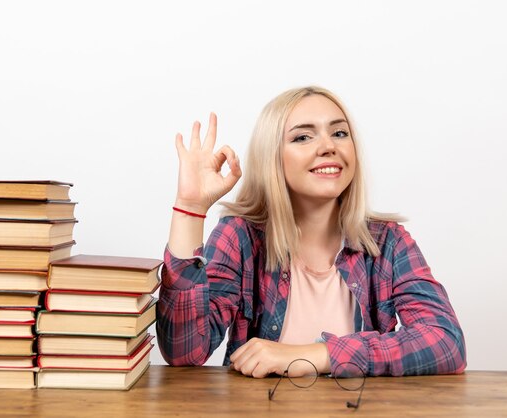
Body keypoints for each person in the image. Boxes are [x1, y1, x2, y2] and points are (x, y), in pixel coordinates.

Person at [156, 86, 466, 378]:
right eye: (303, 137)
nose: (328, 146)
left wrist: (317, 355)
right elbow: (184, 352)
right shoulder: (240, 237)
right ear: (272, 157)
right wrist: (190, 209)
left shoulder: (388, 243)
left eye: (339, 133)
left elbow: (446, 342)